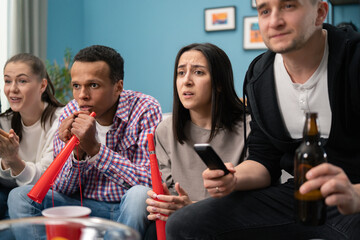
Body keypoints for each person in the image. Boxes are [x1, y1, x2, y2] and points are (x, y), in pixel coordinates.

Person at [166, 0, 360, 239]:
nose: (274, 21)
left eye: (289, 6)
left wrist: (355, 195)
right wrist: (234, 178)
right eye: (265, 10)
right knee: (184, 223)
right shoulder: (260, 75)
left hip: (356, 196)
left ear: (320, 12)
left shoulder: (354, 59)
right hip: (296, 196)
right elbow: (263, 159)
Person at [8, 45, 162, 238]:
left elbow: (150, 181)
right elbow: (62, 188)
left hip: (126, 208)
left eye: (94, 85)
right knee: (19, 197)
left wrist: (95, 150)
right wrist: (77, 154)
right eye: (76, 86)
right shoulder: (70, 112)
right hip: (81, 207)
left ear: (118, 87)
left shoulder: (145, 108)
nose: (82, 95)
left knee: (140, 195)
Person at [140, 43, 249, 239]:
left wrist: (193, 208)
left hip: (232, 224)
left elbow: (257, 199)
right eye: (181, 73)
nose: (186, 81)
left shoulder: (250, 128)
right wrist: (166, 203)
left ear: (219, 82)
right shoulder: (165, 130)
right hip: (181, 224)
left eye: (198, 72)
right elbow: (172, 192)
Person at [0, 53, 64, 220]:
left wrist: (13, 160)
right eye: (7, 81)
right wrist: (6, 160)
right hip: (11, 196)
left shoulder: (61, 120)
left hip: (48, 199)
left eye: (22, 81)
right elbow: (6, 182)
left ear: (42, 85)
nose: (12, 89)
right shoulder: (4, 123)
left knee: (17, 197)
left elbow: (46, 181)